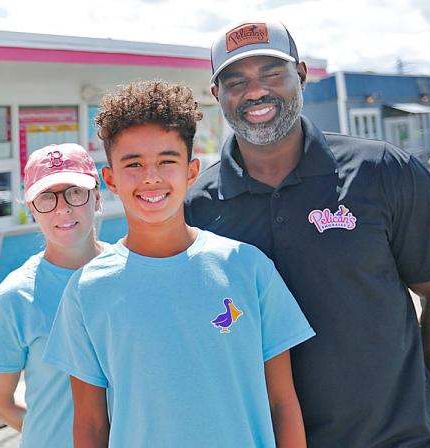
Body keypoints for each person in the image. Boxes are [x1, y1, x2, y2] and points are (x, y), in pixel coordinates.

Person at [186, 20, 430, 447]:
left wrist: (416, 402)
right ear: (216, 95)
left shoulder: (382, 171)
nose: (255, 92)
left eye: (272, 74)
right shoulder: (198, 207)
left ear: (300, 75)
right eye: (236, 81)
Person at [44, 80, 313, 447]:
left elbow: (282, 403)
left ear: (191, 171)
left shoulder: (247, 268)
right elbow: (90, 424)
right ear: (110, 180)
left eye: (166, 161)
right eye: (133, 164)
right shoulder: (87, 290)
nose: (151, 177)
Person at [0, 143, 106, 448]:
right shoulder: (13, 299)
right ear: (31, 209)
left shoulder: (128, 274)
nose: (62, 208)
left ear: (97, 198)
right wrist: (49, 436)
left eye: (75, 192)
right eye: (47, 197)